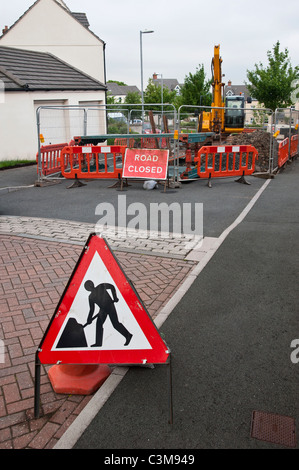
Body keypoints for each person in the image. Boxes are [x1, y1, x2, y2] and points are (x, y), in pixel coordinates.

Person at [84, 280, 132, 347]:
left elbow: (111, 287)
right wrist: (89, 318)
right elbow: (92, 309)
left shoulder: (101, 286)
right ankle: (98, 343)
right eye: (87, 287)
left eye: (89, 285)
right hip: (103, 310)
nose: (89, 287)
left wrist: (114, 297)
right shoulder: (91, 297)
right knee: (99, 324)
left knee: (115, 324)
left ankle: (128, 335)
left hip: (110, 306)